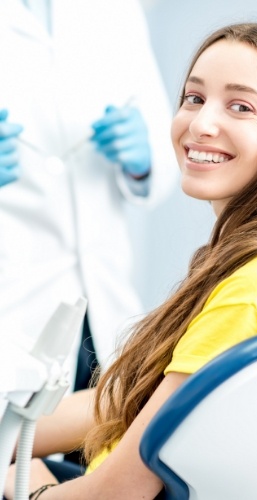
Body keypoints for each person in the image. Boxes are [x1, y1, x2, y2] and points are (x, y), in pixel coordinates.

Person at [5, 21, 257, 499]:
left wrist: (27, 485)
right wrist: (12, 432)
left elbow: (115, 495)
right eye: (193, 98)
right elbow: (136, 398)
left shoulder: (252, 295)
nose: (200, 124)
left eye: (240, 106)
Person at [0, 0, 177, 393]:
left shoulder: (116, 11)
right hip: (11, 304)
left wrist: (143, 158)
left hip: (105, 303)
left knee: (97, 437)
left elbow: (168, 158)